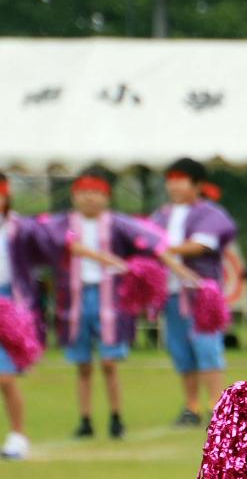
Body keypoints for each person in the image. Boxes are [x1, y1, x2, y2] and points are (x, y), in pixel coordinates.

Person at [48, 169, 172, 441]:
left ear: (106, 197)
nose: (90, 199)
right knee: (82, 364)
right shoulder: (64, 224)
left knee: (109, 362)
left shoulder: (118, 224)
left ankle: (116, 417)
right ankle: (85, 419)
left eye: (96, 193)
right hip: (75, 301)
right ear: (74, 196)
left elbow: (150, 240)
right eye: (84, 193)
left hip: (109, 300)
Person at [151, 159, 238, 425]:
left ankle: (216, 406)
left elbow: (201, 245)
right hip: (172, 293)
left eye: (181, 179)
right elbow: (142, 239)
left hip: (202, 294)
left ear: (197, 184)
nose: (174, 184)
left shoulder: (210, 213)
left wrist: (163, 249)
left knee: (207, 348)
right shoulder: (161, 215)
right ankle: (191, 406)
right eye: (171, 179)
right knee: (180, 350)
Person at [0, 171, 65, 459]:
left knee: (6, 377)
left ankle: (17, 435)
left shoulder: (20, 228)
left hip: (9, 305)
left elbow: (51, 245)